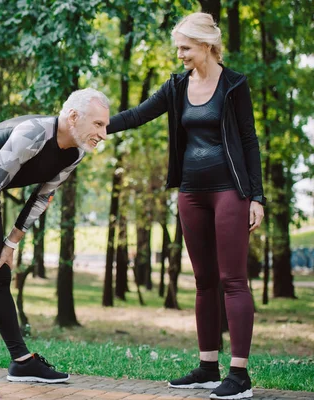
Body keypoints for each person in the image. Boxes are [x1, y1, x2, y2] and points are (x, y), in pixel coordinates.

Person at [106, 12, 265, 400]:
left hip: (230, 189)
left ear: (207, 46)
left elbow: (248, 140)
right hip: (191, 192)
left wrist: (257, 196)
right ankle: (208, 368)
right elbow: (139, 114)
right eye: (178, 47)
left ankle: (239, 375)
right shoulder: (177, 86)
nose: (179, 54)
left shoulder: (233, 85)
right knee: (203, 281)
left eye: (185, 47)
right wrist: (96, 126)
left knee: (232, 280)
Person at [0, 88, 110, 398]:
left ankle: (22, 362)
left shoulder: (74, 153)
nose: (103, 134)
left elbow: (41, 198)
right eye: (98, 124)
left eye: (105, 126)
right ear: (73, 116)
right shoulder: (33, 134)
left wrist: (11, 242)